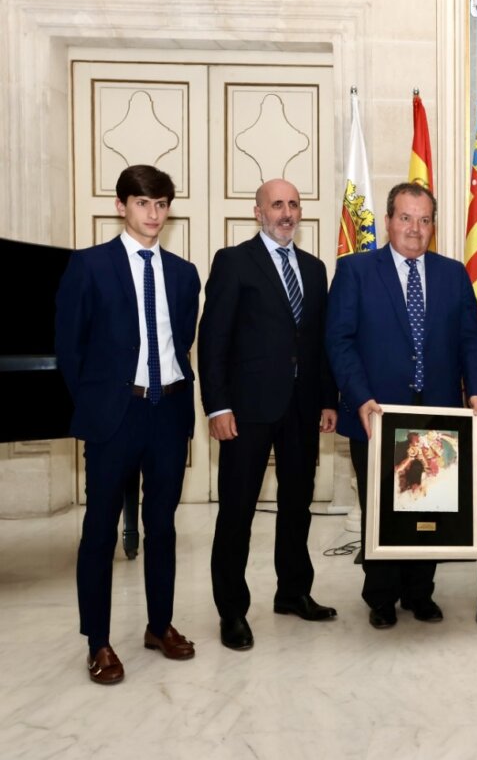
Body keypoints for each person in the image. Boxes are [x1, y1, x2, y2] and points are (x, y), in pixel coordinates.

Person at [55, 164, 201, 684]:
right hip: (114, 415)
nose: (153, 214)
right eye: (143, 203)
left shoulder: (185, 274)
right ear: (122, 206)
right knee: (99, 530)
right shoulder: (89, 266)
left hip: (168, 412)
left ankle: (159, 626)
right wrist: (100, 404)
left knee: (162, 527)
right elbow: (70, 350)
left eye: (161, 204)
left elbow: (181, 342)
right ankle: (97, 641)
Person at [326, 182, 477, 628]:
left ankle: (420, 592)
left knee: (429, 503)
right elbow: (339, 343)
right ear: (388, 221)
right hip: (376, 413)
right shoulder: (356, 271)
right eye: (405, 218)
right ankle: (380, 596)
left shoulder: (453, 273)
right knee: (382, 506)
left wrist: (476, 389)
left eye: (424, 219)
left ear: (433, 225)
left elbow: (471, 341)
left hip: (437, 413)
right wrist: (360, 398)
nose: (414, 229)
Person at [198, 179, 340, 651]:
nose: (286, 212)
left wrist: (326, 399)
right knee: (237, 511)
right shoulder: (233, 262)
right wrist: (218, 405)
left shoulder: (315, 269)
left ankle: (293, 591)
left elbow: (319, 344)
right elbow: (213, 339)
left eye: (293, 204)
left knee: (297, 507)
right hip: (247, 411)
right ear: (257, 211)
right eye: (276, 204)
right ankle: (232, 611)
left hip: (301, 410)